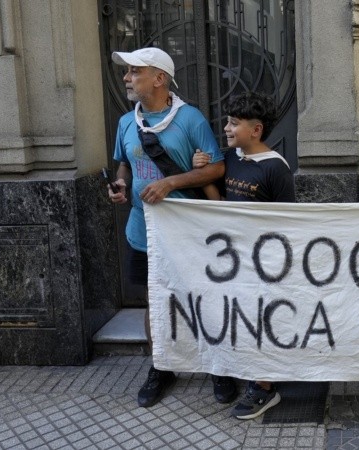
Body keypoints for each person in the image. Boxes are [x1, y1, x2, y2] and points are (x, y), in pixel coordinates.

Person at [108, 47, 234, 408]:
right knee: (154, 300)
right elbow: (123, 167)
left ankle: (218, 367)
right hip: (142, 229)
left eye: (134, 72)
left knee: (202, 298)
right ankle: (160, 366)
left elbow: (216, 168)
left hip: (188, 230)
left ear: (159, 79)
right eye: (128, 72)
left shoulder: (190, 119)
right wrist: (119, 187)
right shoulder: (125, 122)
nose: (127, 79)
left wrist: (170, 183)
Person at [193, 91, 295, 419]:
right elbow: (221, 203)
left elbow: (289, 222)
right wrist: (204, 172)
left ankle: (264, 388)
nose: (226, 127)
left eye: (234, 123)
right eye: (227, 121)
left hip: (264, 263)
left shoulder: (276, 169)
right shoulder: (231, 157)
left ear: (256, 130)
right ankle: (252, 377)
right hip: (234, 260)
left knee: (260, 323)